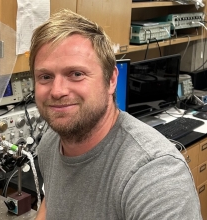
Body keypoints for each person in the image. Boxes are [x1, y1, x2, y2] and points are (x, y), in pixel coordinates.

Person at [29, 9, 202, 220]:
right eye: (45, 76)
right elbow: (52, 204)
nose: (57, 91)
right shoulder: (49, 144)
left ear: (111, 80)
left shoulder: (155, 176)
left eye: (76, 74)